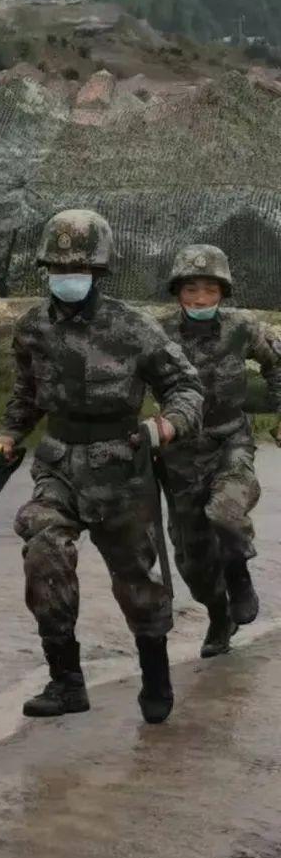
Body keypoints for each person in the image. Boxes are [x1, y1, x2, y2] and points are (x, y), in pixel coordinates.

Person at [0, 209, 203, 725]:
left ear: (99, 271)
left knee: (137, 580)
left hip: (122, 466)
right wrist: (9, 433)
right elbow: (26, 394)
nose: (68, 274)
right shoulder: (32, 327)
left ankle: (155, 675)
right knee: (43, 554)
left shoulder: (134, 328)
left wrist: (169, 425)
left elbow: (186, 386)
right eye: (59, 265)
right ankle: (66, 681)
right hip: (59, 462)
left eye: (79, 266)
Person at [160, 244, 281, 657]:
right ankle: (218, 616)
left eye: (209, 290)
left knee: (225, 511)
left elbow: (276, 362)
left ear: (223, 293)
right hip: (178, 453)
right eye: (191, 289)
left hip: (231, 441)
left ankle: (240, 574)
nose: (199, 299)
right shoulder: (158, 335)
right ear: (177, 292)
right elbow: (128, 382)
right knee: (191, 562)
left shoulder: (241, 328)